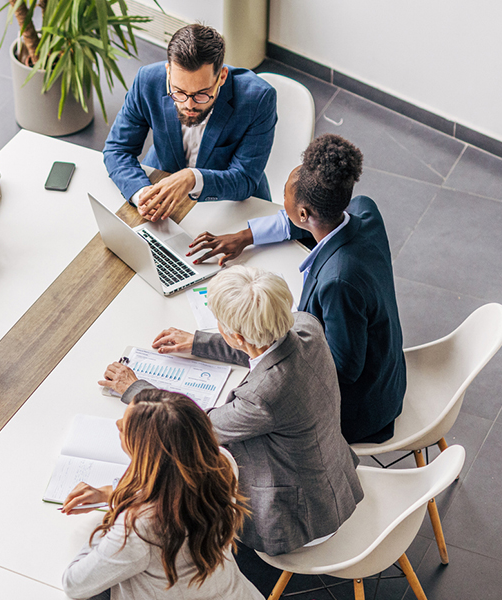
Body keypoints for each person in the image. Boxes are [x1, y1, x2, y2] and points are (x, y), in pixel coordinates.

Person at [99, 266, 363, 557]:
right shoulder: (307, 326)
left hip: (303, 520)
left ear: (236, 336)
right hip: (335, 478)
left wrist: (135, 388)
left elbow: (195, 425)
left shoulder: (262, 396)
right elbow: (265, 343)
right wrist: (200, 342)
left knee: (186, 475)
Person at [184, 134, 406, 443]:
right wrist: (246, 236)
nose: (282, 205)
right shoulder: (364, 211)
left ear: (304, 214)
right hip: (389, 375)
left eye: (285, 201)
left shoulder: (338, 282)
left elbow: (343, 370)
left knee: (252, 429)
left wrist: (253, 333)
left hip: (359, 411)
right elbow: (298, 221)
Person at [60, 389, 262, 600]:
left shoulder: (140, 527)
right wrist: (114, 493)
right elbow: (173, 486)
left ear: (149, 450)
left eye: (126, 426)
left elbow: (74, 584)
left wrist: (114, 519)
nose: (118, 424)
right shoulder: (222, 463)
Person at [103, 24, 277, 222]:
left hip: (230, 204)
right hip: (161, 184)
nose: (189, 105)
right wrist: (142, 193)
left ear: (222, 76)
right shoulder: (147, 81)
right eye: (178, 92)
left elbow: (245, 178)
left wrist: (194, 178)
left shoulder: (258, 98)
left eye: (202, 94)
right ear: (168, 72)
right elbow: (117, 149)